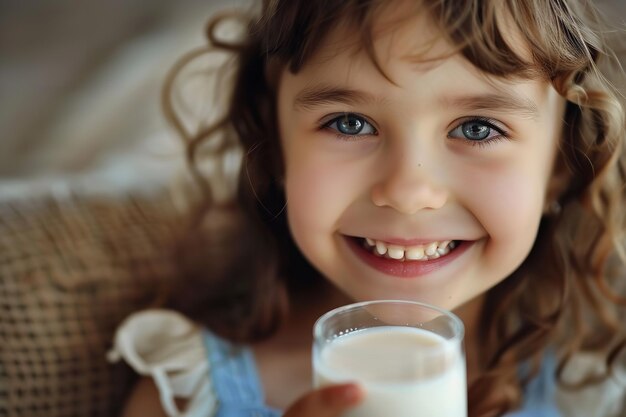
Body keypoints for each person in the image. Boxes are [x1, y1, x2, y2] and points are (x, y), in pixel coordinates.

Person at [108, 0, 626, 416]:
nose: (406, 191)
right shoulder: (187, 395)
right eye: (349, 123)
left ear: (560, 163)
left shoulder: (587, 386)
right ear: (275, 142)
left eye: (478, 129)